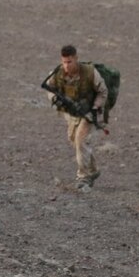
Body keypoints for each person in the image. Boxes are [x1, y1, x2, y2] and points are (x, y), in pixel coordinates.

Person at [45, 45, 108, 191]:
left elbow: (103, 92)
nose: (67, 65)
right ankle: (93, 170)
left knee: (80, 140)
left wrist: (95, 107)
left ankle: (83, 177)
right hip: (71, 114)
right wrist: (55, 99)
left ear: (76, 59)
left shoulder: (90, 72)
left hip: (89, 113)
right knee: (74, 140)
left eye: (70, 62)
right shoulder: (57, 73)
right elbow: (49, 88)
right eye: (64, 62)